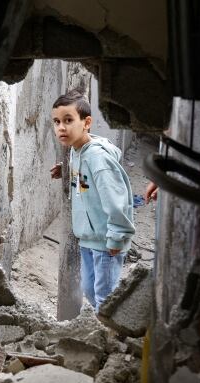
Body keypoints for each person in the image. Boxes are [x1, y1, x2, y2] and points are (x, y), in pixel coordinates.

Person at [49, 89, 135, 312]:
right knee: (90, 290)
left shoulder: (98, 158)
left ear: (87, 122)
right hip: (88, 238)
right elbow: (85, 181)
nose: (61, 127)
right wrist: (66, 171)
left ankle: (111, 339)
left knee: (104, 296)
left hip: (107, 239)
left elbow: (117, 198)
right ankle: (111, 327)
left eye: (68, 120)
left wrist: (117, 236)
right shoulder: (76, 152)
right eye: (57, 121)